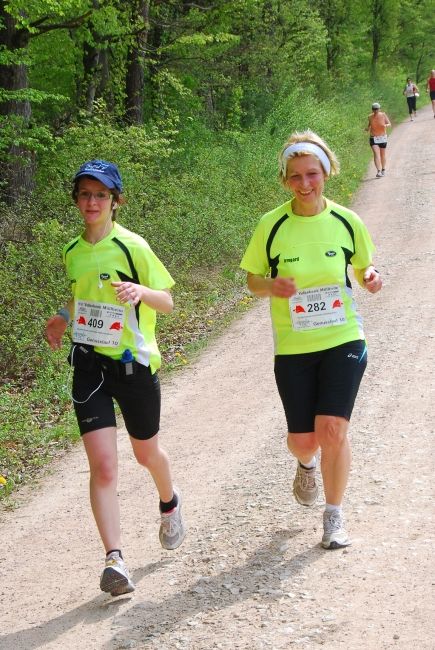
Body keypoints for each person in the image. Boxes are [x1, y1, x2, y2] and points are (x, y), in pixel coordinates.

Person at [45, 160, 185, 596]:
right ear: (76, 200)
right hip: (89, 365)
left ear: (115, 201)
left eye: (100, 195)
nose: (92, 202)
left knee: (147, 456)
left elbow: (167, 302)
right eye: (85, 194)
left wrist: (141, 292)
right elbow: (80, 293)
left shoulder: (132, 247)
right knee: (104, 466)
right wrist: (63, 316)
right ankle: (115, 560)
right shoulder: (72, 250)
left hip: (134, 367)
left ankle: (170, 503)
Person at [240, 131, 382, 549]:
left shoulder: (346, 221)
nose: (305, 183)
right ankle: (306, 463)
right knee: (303, 440)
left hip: (343, 337)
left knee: (334, 428)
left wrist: (370, 278)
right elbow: (251, 281)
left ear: (326, 173)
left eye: (313, 174)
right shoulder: (271, 224)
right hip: (294, 346)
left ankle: (334, 516)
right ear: (285, 180)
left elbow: (364, 269)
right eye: (296, 176)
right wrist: (271, 286)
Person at [365, 102, 391, 178]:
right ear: (372, 110)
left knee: (382, 155)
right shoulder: (370, 117)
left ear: (379, 109)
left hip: (382, 137)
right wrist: (368, 128)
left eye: (377, 109)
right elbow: (370, 125)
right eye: (374, 110)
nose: (376, 111)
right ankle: (378, 171)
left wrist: (385, 125)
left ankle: (383, 169)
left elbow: (389, 124)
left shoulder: (383, 115)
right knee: (376, 153)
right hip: (373, 137)